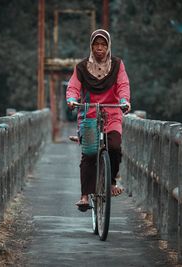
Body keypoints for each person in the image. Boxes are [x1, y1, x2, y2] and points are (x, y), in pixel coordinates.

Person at [66, 29, 131, 208]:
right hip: (90, 114)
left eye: (103, 44)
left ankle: (111, 182)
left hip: (112, 112)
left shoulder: (117, 65)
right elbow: (73, 86)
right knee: (89, 153)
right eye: (96, 45)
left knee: (115, 146)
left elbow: (123, 85)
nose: (100, 48)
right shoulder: (81, 67)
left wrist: (124, 100)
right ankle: (85, 196)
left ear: (108, 46)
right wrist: (71, 99)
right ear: (91, 46)